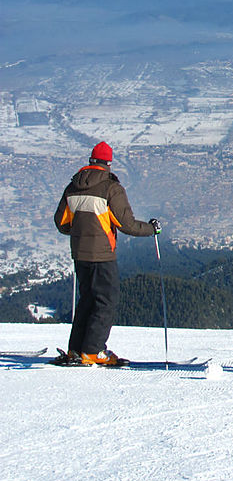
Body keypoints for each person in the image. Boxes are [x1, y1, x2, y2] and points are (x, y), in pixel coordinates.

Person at [52, 141, 161, 366]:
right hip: (102, 254)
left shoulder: (72, 187)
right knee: (105, 301)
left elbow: (61, 223)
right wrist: (152, 229)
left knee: (87, 300)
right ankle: (93, 351)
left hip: (79, 253)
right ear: (108, 163)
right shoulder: (110, 188)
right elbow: (126, 224)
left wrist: (81, 230)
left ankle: (76, 349)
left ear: (91, 160)